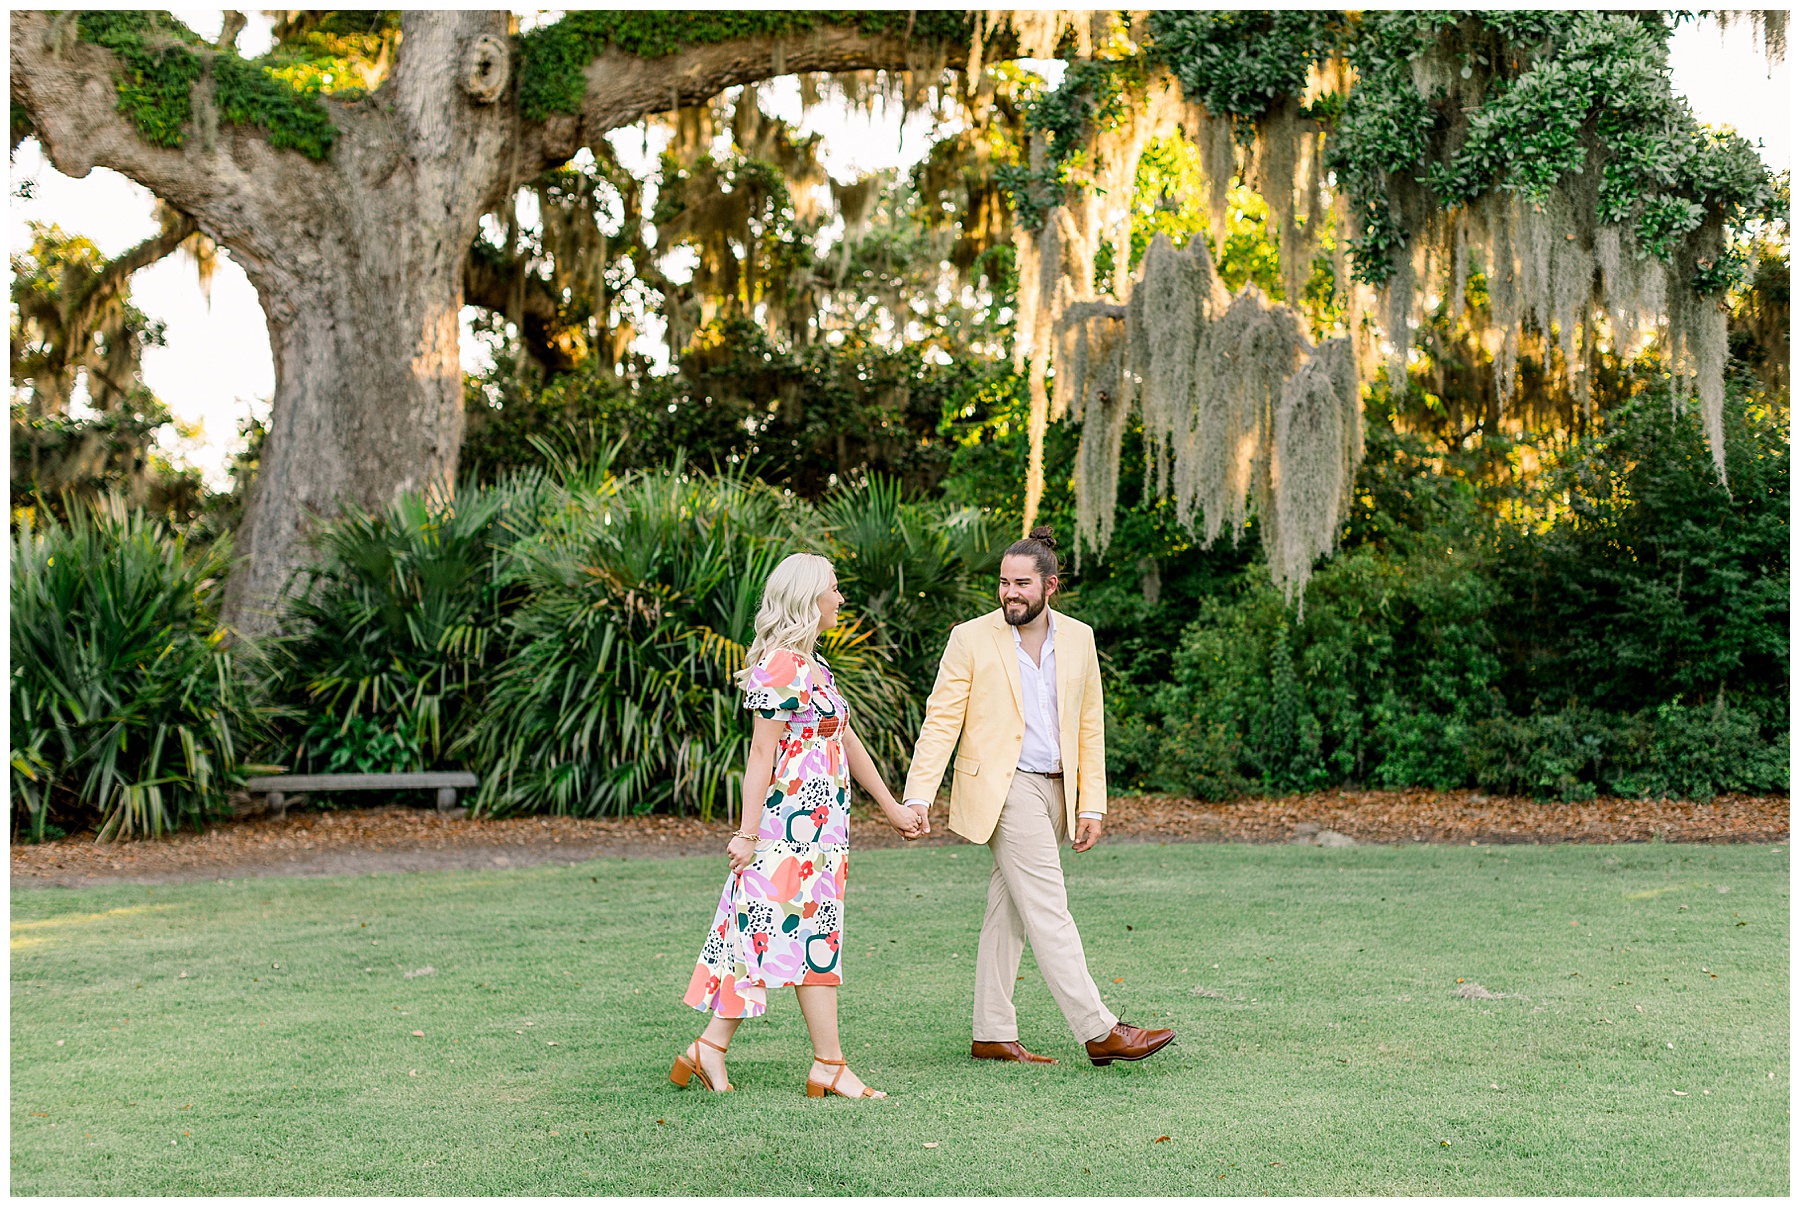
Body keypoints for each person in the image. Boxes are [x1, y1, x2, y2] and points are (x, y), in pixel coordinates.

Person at [901, 526, 1175, 1067]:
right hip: (1005, 790)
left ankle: (992, 1033)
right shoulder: (970, 638)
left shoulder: (1080, 637)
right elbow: (941, 722)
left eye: (1021, 583)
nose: (1009, 593)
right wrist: (918, 796)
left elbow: (1089, 725)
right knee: (1049, 908)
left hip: (1059, 790)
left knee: (1010, 913)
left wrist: (1090, 804)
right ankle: (1099, 1031)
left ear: (1050, 586)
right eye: (1003, 583)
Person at [674, 552, 925, 1099]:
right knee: (808, 940)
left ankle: (709, 1048)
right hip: (789, 831)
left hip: (822, 831)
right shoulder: (783, 666)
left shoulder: (815, 668)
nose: (840, 599)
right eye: (833, 589)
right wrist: (746, 833)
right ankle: (827, 1065)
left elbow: (845, 742)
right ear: (809, 598)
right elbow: (760, 754)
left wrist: (891, 806)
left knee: (769, 935)